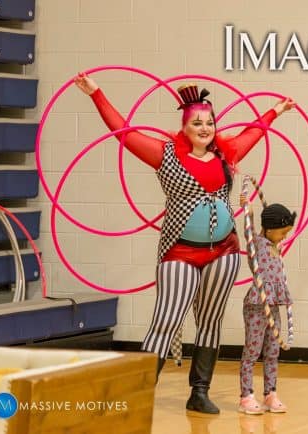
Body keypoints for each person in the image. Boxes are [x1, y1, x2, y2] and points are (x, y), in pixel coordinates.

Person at [74, 72, 295, 414]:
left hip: (223, 251)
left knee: (210, 320)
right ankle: (138, 391)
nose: (205, 128)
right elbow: (124, 133)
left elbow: (253, 133)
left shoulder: (226, 152)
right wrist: (96, 94)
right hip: (180, 251)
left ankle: (200, 392)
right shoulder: (165, 154)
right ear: (184, 127)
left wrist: (275, 111)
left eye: (209, 122)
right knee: (167, 317)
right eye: (197, 123)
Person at [237, 194, 296, 415]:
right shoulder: (258, 244)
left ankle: (270, 393)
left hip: (274, 307)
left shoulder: (275, 246)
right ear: (269, 229)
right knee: (252, 351)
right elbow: (248, 231)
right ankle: (246, 397)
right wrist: (248, 211)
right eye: (282, 232)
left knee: (272, 351)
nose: (284, 237)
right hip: (257, 305)